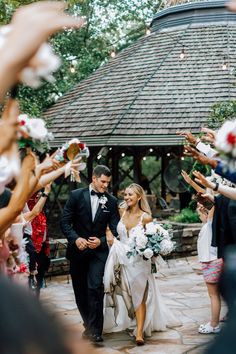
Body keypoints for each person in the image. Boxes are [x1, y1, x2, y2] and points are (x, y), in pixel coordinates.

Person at [103, 183, 180, 345]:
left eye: (130, 195)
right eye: (125, 194)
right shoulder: (121, 211)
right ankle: (130, 320)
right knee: (122, 292)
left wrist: (153, 249)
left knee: (139, 296)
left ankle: (139, 333)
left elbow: (152, 239)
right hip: (121, 258)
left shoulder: (146, 217)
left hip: (139, 262)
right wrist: (109, 233)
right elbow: (106, 222)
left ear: (139, 197)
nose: (127, 197)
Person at [61, 165, 120, 343]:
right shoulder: (76, 196)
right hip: (78, 251)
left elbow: (116, 229)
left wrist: (101, 241)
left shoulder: (111, 201)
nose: (105, 186)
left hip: (98, 253)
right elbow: (64, 222)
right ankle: (88, 325)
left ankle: (96, 331)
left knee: (95, 288)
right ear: (94, 178)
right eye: (103, 182)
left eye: (108, 183)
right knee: (80, 292)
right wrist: (75, 239)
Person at [196, 205, 223, 334]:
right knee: (216, 294)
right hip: (212, 261)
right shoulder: (210, 224)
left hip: (211, 261)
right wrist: (202, 211)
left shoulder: (212, 223)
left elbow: (215, 204)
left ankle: (214, 324)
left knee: (213, 295)